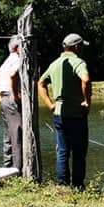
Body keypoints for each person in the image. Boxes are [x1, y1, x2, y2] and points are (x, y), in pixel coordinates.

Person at [38, 33, 92, 188]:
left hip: (59, 114)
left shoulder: (55, 64)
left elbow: (41, 83)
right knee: (79, 152)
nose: (82, 49)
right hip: (76, 114)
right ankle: (78, 186)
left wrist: (50, 104)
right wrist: (87, 101)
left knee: (62, 151)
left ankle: (62, 185)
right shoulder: (78, 62)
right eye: (81, 46)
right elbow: (86, 80)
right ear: (75, 47)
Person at [0, 35, 23, 170]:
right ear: (16, 48)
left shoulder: (7, 61)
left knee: (8, 135)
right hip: (12, 100)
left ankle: (7, 167)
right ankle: (18, 170)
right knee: (17, 135)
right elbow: (13, 76)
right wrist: (15, 96)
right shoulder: (18, 60)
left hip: (5, 100)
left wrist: (1, 99)